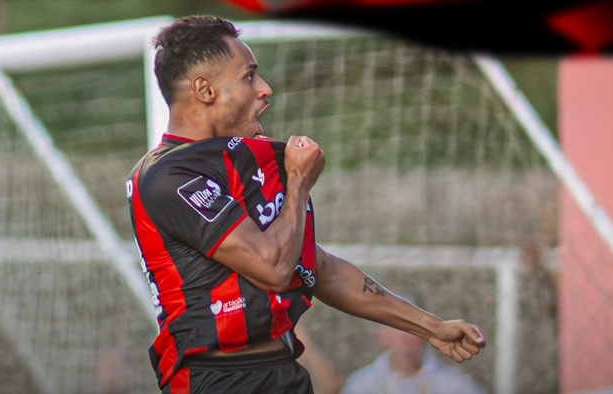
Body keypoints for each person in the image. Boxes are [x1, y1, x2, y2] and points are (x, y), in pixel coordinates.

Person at [126, 15, 486, 394]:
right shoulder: (167, 177)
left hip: (283, 372)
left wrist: (431, 327)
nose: (264, 89)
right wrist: (298, 184)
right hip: (215, 379)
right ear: (205, 90)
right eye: (249, 77)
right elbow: (273, 267)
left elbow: (320, 268)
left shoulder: (247, 160)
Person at [340, 303, 488, 394]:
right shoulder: (360, 384)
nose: (405, 338)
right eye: (397, 328)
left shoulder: (454, 384)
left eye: (412, 330)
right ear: (383, 335)